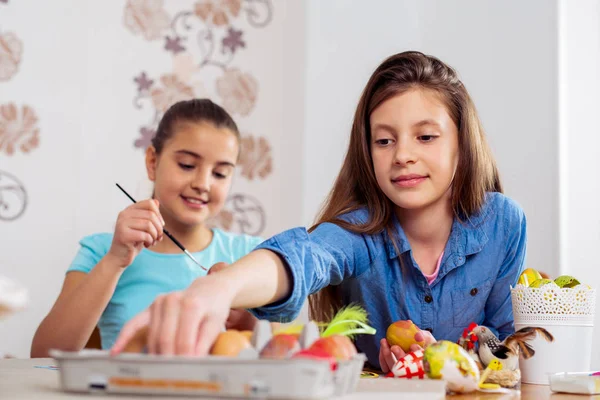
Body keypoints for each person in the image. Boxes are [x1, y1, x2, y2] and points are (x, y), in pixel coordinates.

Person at [112, 51, 526, 373]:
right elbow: (302, 257)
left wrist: (451, 355)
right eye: (384, 141)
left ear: (461, 142)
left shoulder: (504, 223)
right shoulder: (359, 232)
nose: (403, 155)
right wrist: (218, 290)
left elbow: (510, 349)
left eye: (426, 136)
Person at [31, 99, 262, 357]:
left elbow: (262, 359)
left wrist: (246, 323)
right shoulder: (101, 251)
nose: (203, 183)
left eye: (219, 173)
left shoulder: (251, 256)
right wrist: (115, 260)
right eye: (187, 165)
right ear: (153, 162)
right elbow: (43, 355)